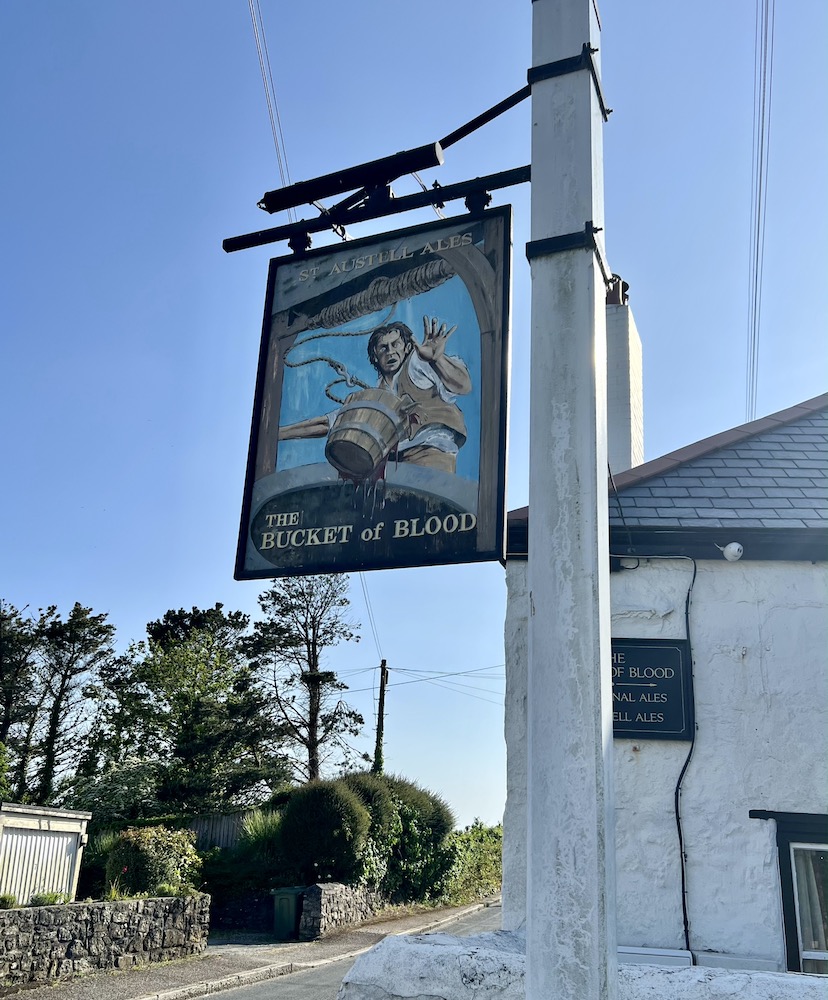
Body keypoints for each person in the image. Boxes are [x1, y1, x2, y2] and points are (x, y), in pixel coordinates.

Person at [279, 316, 472, 474]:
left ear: (406, 348)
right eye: (384, 348)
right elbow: (328, 422)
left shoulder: (418, 366)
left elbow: (463, 385)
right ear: (375, 357)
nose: (391, 352)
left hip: (430, 454)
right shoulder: (377, 397)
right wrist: (279, 434)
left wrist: (437, 360)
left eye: (396, 344)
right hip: (394, 466)